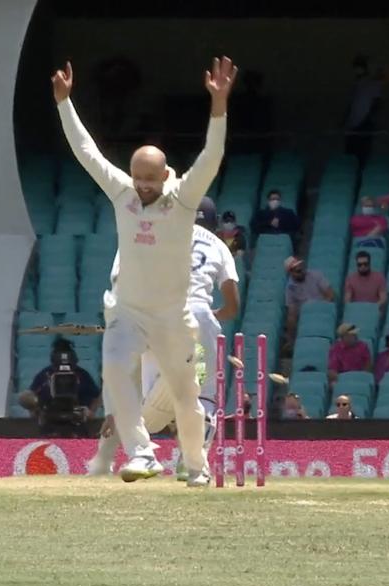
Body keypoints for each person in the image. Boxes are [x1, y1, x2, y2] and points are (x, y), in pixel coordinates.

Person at [53, 57, 235, 485]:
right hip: (129, 312)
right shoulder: (122, 193)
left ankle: (196, 464)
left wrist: (219, 104)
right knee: (115, 371)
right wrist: (64, 103)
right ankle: (142, 453)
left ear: (166, 174)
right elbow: (86, 152)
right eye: (138, 177)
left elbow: (213, 155)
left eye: (150, 179)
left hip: (173, 317)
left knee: (186, 398)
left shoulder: (184, 197)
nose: (142, 185)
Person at [88, 198, 240, 482]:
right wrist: (209, 315)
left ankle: (136, 447)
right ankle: (192, 464)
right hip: (197, 319)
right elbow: (233, 306)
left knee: (147, 401)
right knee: (203, 396)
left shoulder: (154, 234)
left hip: (153, 316)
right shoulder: (218, 246)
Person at [21, 337, 103, 437]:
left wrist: (91, 411)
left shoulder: (82, 375)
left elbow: (97, 396)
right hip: (50, 420)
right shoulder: (45, 375)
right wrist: (35, 411)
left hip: (77, 420)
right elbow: (29, 397)